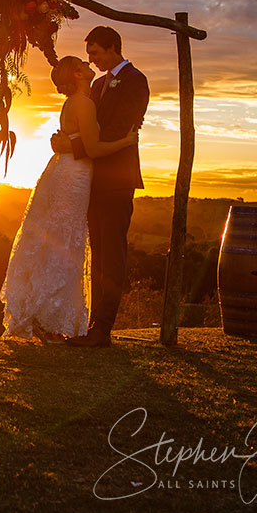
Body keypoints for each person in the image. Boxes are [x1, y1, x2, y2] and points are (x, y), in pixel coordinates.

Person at [0, 55, 138, 341]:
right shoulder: (84, 103)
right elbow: (95, 148)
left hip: (65, 171)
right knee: (64, 243)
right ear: (76, 74)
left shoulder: (75, 101)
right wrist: (127, 142)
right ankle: (47, 319)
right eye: (84, 64)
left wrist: (67, 144)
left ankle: (43, 315)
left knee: (57, 240)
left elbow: (80, 141)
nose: (90, 65)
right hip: (75, 176)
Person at [51, 25, 150, 347]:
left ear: (111, 47)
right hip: (92, 178)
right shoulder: (98, 84)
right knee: (98, 254)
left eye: (95, 52)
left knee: (112, 254)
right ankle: (92, 324)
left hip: (117, 178)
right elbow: (88, 125)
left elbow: (119, 128)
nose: (91, 60)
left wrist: (75, 146)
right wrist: (68, 138)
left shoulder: (135, 82)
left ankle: (103, 329)